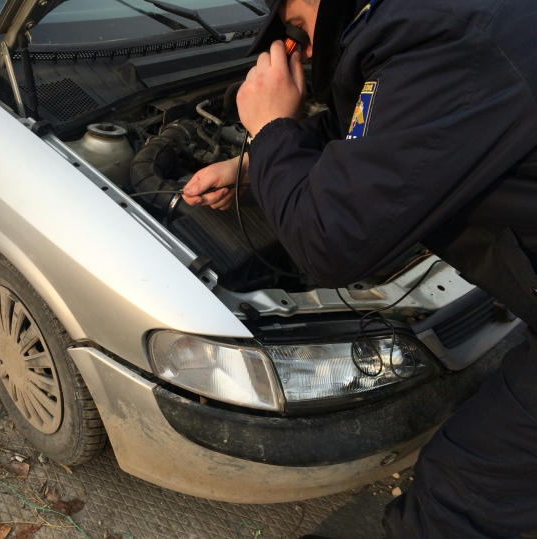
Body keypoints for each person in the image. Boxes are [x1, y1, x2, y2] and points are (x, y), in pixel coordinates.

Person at [182, 0, 537, 537]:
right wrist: (253, 168)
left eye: (292, 17)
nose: (289, 38)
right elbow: (371, 128)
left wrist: (272, 128)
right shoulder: (427, 20)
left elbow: (329, 245)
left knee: (459, 500)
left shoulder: (443, 36)